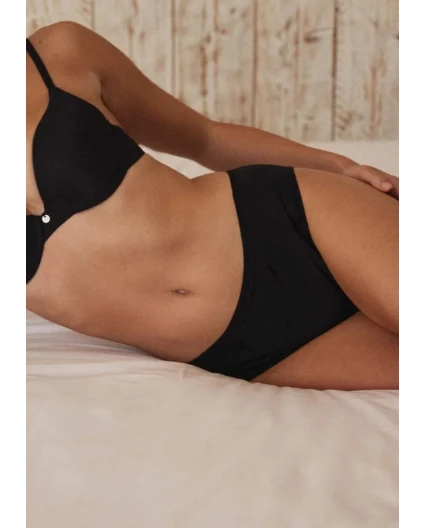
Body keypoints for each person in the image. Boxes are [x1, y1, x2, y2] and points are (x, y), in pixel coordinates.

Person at [26, 21, 399, 391]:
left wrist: (338, 166)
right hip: (246, 352)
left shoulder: (59, 52)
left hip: (290, 222)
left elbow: (203, 137)